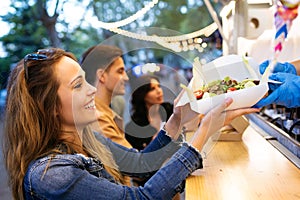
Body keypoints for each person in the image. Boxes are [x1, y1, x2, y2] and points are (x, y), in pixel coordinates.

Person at [3, 47, 259, 199]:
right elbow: (142, 197)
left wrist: (177, 119)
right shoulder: (52, 175)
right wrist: (202, 134)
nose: (92, 89)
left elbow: (141, 164)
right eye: (78, 85)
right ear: (48, 106)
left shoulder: (86, 140)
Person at [80, 44, 132, 148]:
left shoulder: (104, 112)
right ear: (102, 75)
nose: (126, 78)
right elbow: (134, 162)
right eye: (120, 71)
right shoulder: (97, 117)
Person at [125, 74, 173, 151]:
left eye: (159, 86)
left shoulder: (170, 110)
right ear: (142, 94)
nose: (159, 91)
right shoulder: (133, 128)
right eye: (152, 89)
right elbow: (137, 158)